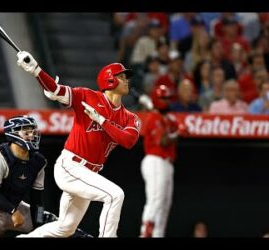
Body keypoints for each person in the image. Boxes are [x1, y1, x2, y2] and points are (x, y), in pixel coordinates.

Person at [15, 51, 141, 237]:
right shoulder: (87, 96)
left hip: (90, 172)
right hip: (71, 165)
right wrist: (36, 70)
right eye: (121, 77)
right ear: (109, 81)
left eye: (125, 77)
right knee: (115, 195)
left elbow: (128, 141)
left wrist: (102, 121)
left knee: (65, 228)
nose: (126, 80)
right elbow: (57, 91)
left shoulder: (130, 117)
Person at [140, 85, 187, 238]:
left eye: (167, 98)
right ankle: (146, 231)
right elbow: (163, 141)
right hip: (155, 160)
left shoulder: (165, 118)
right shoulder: (154, 118)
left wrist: (177, 127)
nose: (166, 102)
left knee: (165, 204)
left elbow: (178, 125)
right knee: (156, 199)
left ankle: (158, 234)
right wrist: (177, 133)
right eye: (163, 98)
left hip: (167, 163)